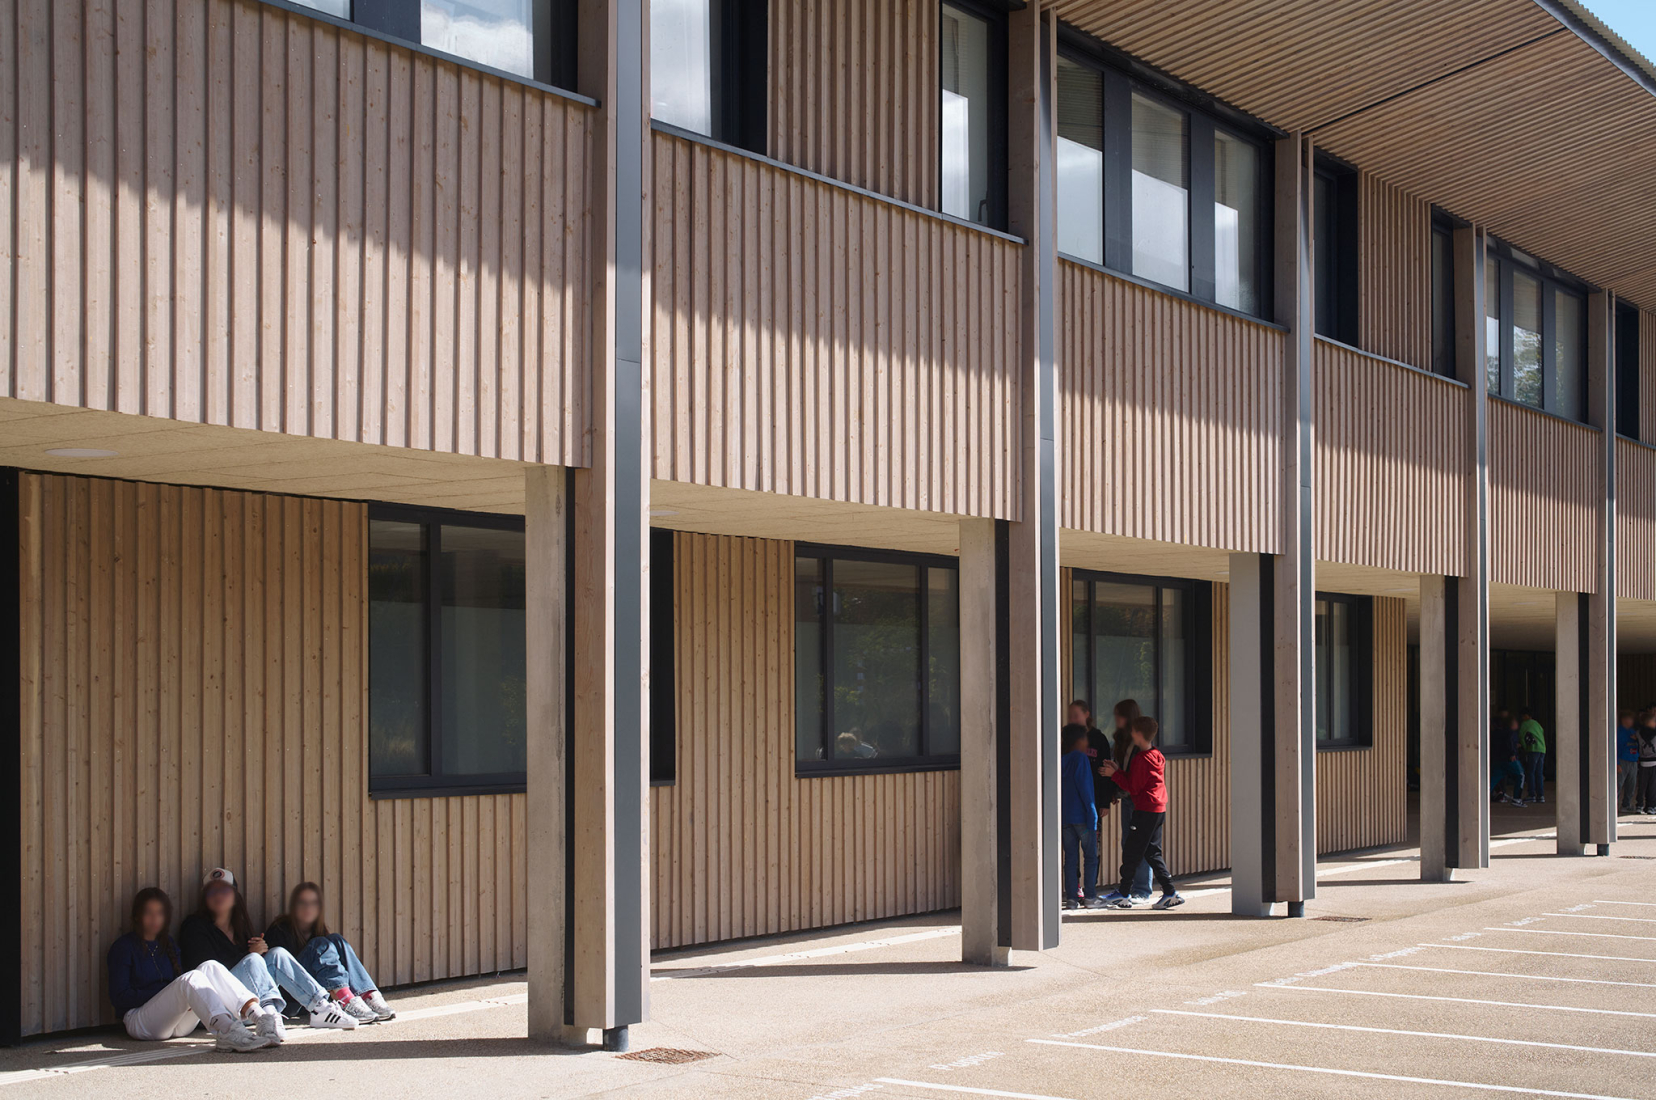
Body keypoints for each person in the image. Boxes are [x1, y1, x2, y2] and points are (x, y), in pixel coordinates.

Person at [180, 868, 357, 1032]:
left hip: (249, 1006)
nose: (219, 895)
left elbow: (252, 968)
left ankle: (320, 1008)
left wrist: (259, 952)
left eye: (225, 890)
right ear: (204, 898)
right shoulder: (195, 926)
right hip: (219, 1008)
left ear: (235, 895)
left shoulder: (240, 928)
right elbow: (206, 971)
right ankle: (270, 1015)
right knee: (253, 960)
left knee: (277, 953)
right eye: (212, 891)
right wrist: (250, 955)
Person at [106, 887, 278, 1052]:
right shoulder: (124, 947)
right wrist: (167, 994)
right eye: (148, 913)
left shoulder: (168, 945)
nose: (154, 918)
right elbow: (120, 998)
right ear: (137, 916)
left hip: (177, 1025)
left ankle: (260, 1017)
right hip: (140, 1021)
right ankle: (227, 1031)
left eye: (160, 913)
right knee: (191, 977)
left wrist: (182, 999)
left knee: (209, 966)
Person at [265, 882, 396, 1023]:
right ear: (293, 906)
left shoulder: (318, 931)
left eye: (313, 903)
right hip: (293, 1000)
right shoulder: (280, 929)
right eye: (302, 903)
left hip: (321, 997)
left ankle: (369, 995)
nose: (308, 908)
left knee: (337, 939)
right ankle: (345, 999)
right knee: (319, 944)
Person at [1099, 717, 1183, 910]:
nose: (1131, 734)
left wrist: (1114, 775)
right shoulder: (1157, 755)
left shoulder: (1141, 758)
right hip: (1158, 808)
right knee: (1152, 851)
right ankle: (1170, 892)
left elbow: (1133, 787)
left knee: (1132, 851)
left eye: (1133, 731)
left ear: (1138, 734)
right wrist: (1119, 771)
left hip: (1145, 809)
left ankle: (1123, 893)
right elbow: (1140, 780)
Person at [1107, 698, 1152, 902]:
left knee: (1140, 844)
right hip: (1127, 798)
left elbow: (1135, 780)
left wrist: (1117, 779)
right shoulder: (1122, 742)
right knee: (1128, 843)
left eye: (1119, 715)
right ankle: (1130, 887)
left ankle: (1142, 890)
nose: (1116, 719)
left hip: (1139, 801)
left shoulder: (1141, 747)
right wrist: (1117, 791)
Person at [1060, 726, 1103, 910]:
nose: (1087, 743)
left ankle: (1071, 898)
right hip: (1083, 818)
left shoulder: (1060, 760)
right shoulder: (1081, 759)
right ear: (1078, 741)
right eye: (1085, 740)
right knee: (1091, 857)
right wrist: (1092, 814)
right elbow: (1085, 789)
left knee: (1070, 859)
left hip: (1064, 818)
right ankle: (1091, 897)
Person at [1490, 716, 1527, 805]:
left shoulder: (1495, 733)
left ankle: (1481, 795)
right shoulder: (1511, 733)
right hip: (1509, 758)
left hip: (1497, 759)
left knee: (1494, 778)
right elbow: (1509, 743)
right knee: (1520, 775)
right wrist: (1513, 753)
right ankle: (1517, 798)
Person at [1518, 708, 1547, 805]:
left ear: (1526, 716)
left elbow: (1522, 737)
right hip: (1542, 749)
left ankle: (1531, 794)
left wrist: (1525, 748)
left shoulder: (1525, 724)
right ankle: (1541, 795)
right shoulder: (1537, 724)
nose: (1522, 718)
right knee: (1539, 772)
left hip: (1533, 749)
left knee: (1530, 772)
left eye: (1523, 715)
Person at [1617, 711, 1640, 814]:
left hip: (1633, 760)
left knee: (1631, 784)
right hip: (1623, 760)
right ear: (1624, 720)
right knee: (1619, 784)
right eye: (1630, 719)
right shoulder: (1619, 732)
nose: (1631, 721)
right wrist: (1617, 763)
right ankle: (1613, 805)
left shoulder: (1633, 731)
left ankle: (1626, 804)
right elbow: (1616, 748)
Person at [1637, 712, 1656, 815]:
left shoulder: (1638, 733)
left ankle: (1639, 805)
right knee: (1653, 786)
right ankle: (1651, 806)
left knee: (1642, 785)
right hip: (1654, 761)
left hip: (1643, 761)